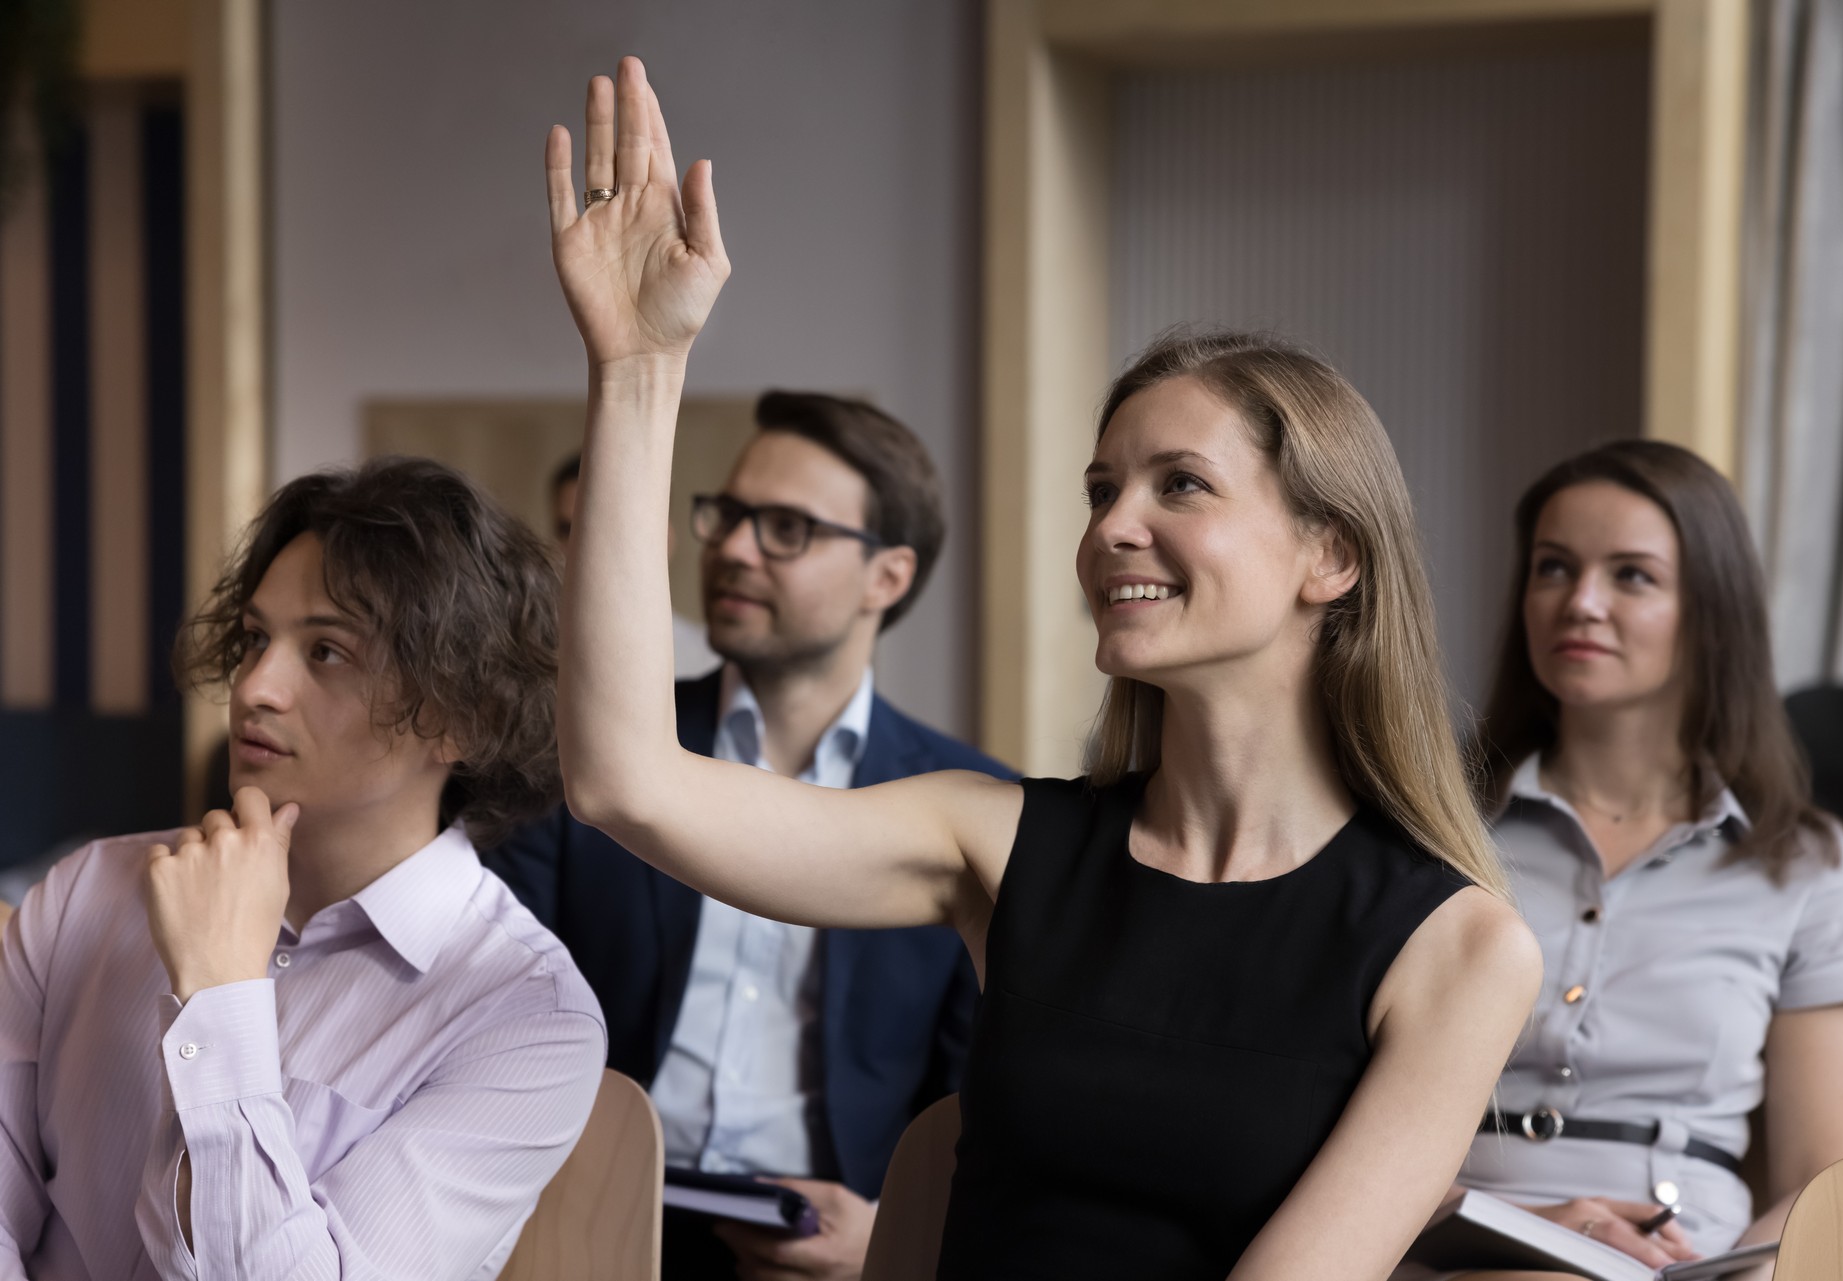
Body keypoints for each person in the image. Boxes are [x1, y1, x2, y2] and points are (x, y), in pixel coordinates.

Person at [544, 57, 1542, 1280]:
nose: (1113, 526)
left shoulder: (1461, 948)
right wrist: (638, 371)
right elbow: (624, 782)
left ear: (1328, 556)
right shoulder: (999, 843)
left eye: (1181, 485)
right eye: (1102, 490)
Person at [0, 459, 606, 1279]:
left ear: (464, 716)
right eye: (256, 638)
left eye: (326, 651)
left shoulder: (528, 1016)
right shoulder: (86, 891)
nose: (256, 685)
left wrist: (219, 992)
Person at [489, 391, 1013, 1280]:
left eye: (785, 528)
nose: (731, 547)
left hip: (832, 1243)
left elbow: (983, 1095)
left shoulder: (966, 806)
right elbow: (491, 989)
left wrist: (889, 1231)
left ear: (887, 576)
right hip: (594, 1214)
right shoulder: (588, 752)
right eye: (727, 514)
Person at [1436, 440, 1843, 1281]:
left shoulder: (1807, 865)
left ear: (1711, 611)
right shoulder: (1432, 827)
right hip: (1438, 1240)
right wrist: (1536, 1225)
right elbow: (1329, 1109)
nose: (1580, 601)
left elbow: (1825, 1181)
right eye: (1553, 568)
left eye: (1632, 575)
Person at [549, 450, 718, 678]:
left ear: (665, 540)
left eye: (607, 527)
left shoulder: (711, 664)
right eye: (568, 531)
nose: (583, 550)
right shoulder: (529, 658)